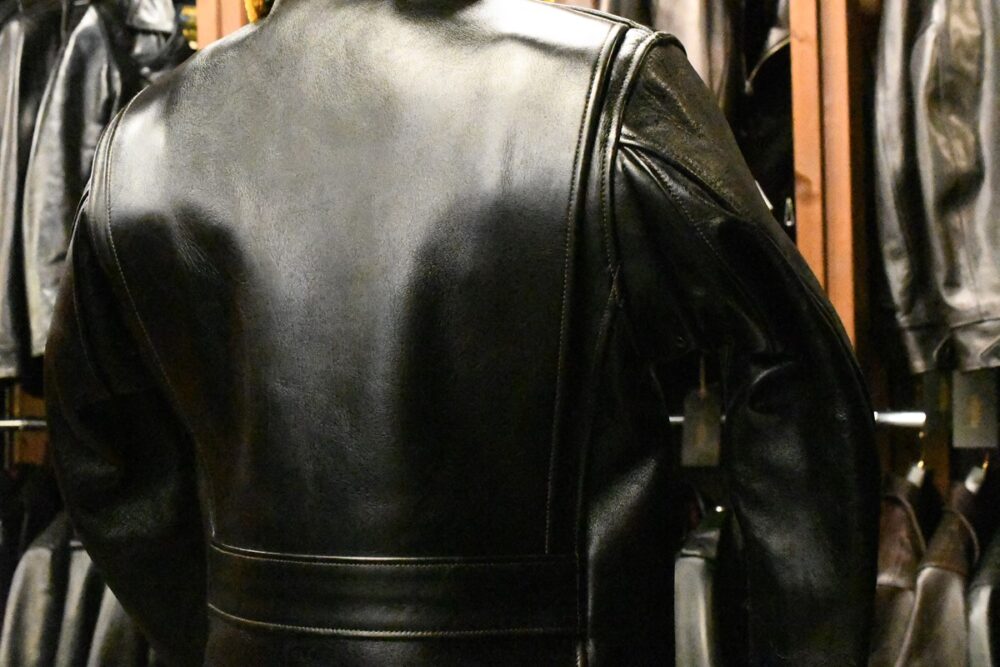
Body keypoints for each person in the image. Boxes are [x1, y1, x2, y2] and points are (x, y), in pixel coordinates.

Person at [45, 1, 878, 664]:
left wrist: (227, 622)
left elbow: (103, 459)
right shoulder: (607, 93)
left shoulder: (147, 142)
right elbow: (800, 379)